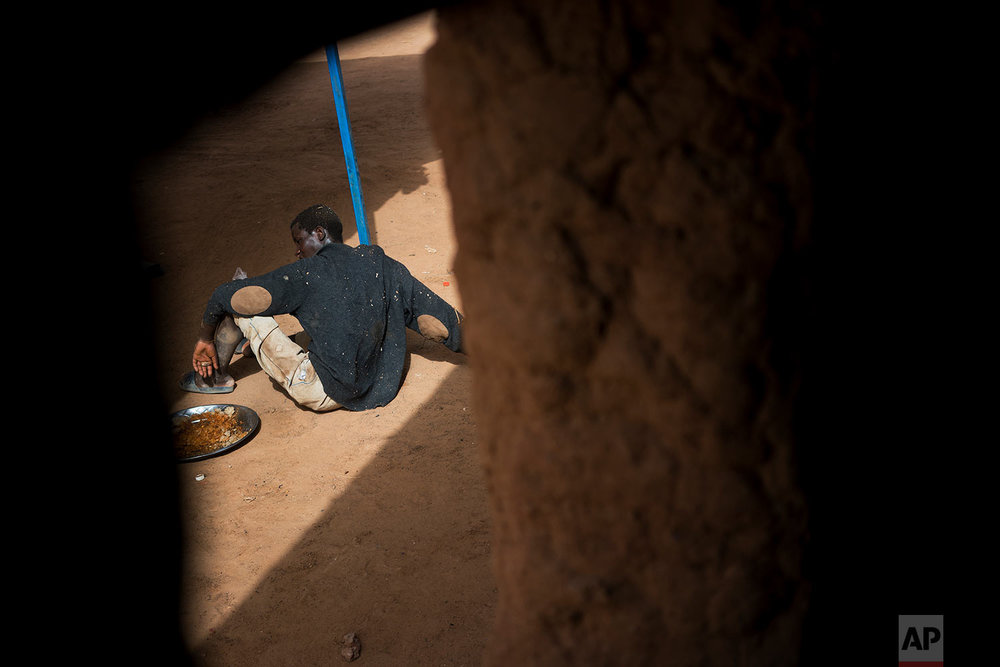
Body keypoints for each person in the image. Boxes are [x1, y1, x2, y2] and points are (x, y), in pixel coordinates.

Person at [179, 204, 464, 411]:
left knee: (241, 302)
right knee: (335, 318)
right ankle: (252, 348)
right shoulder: (380, 263)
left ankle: (213, 379)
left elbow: (223, 294)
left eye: (299, 241)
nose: (297, 250)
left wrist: (205, 338)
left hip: (324, 389)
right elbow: (440, 321)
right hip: (380, 384)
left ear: (319, 233)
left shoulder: (308, 273)